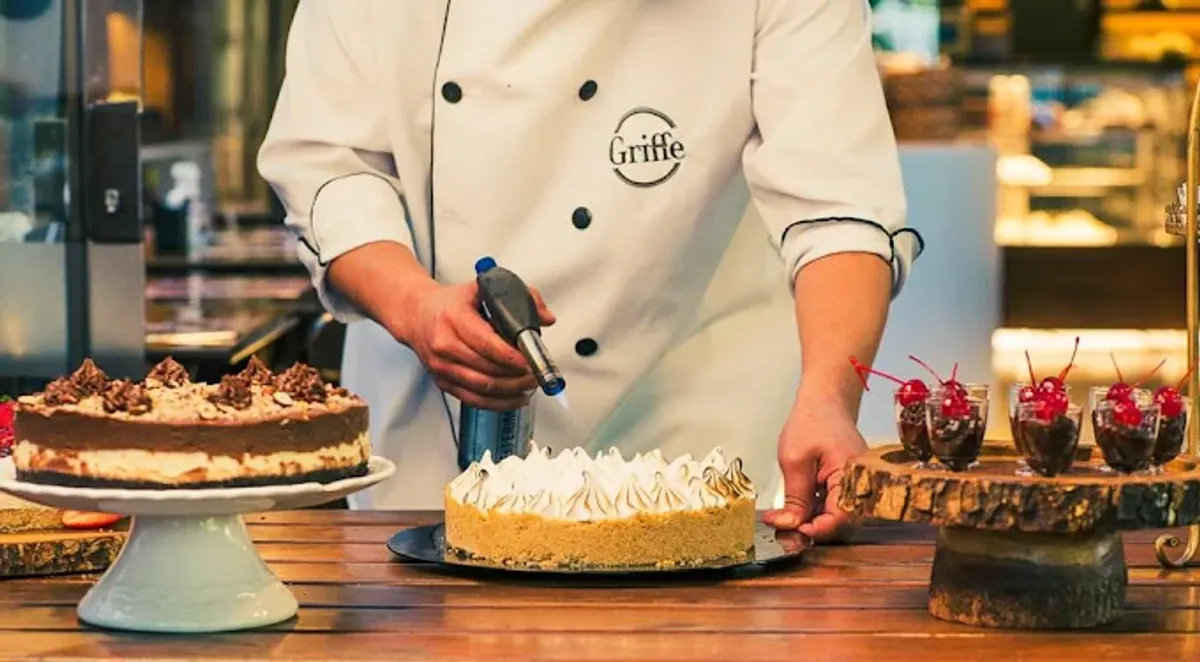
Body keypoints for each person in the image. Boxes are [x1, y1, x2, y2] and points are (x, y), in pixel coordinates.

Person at [258, 0, 924, 542]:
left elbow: (839, 206)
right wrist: (415, 307)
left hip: (693, 436)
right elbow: (328, 163)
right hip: (436, 449)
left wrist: (829, 397)